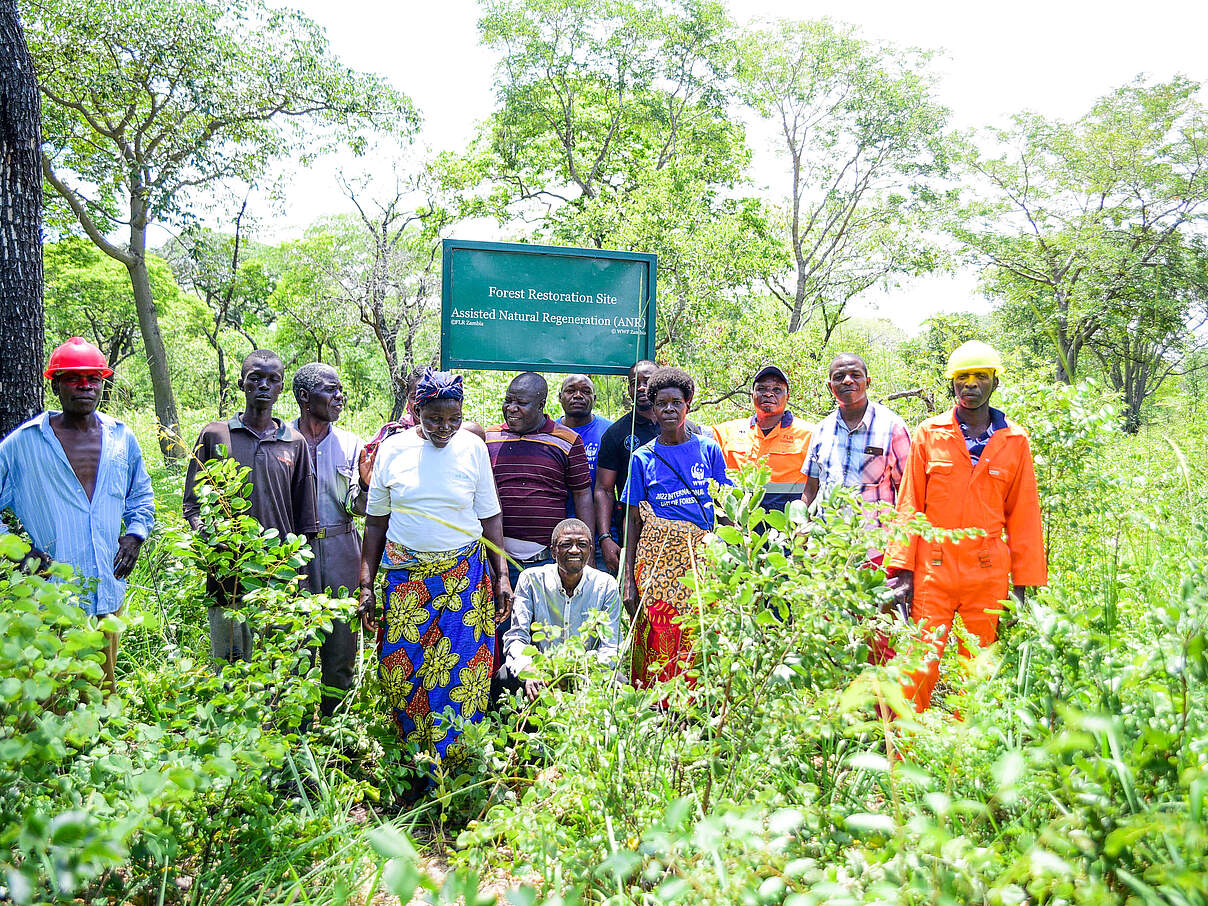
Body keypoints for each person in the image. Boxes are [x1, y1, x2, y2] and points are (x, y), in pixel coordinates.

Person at [358, 369, 510, 782]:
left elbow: (490, 514)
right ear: (416, 410)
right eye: (435, 418)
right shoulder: (393, 450)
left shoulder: (473, 449)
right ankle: (413, 771)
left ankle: (459, 772)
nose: (445, 428)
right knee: (402, 671)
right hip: (405, 580)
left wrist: (502, 575)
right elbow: (375, 522)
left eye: (453, 418)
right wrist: (367, 583)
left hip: (465, 577)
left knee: (465, 671)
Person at [885, 341, 1047, 713]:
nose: (970, 385)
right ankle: (905, 758)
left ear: (994, 383)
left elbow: (1024, 514)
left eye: (979, 377)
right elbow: (909, 503)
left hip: (987, 572)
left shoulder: (1014, 440)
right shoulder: (930, 432)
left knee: (977, 670)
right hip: (933, 569)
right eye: (962, 377)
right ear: (952, 384)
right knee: (918, 667)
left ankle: (964, 762)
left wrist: (1022, 587)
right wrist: (902, 571)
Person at [0, 338, 154, 691]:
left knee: (103, 689)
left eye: (93, 378)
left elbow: (141, 495)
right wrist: (18, 551)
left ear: (102, 383)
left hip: (108, 589)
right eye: (73, 378)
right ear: (55, 385)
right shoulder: (26, 443)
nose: (85, 386)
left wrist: (134, 536)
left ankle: (104, 745)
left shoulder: (121, 437)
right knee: (55, 696)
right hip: (54, 595)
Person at [183, 349, 318, 664]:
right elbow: (192, 506)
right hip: (227, 579)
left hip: (280, 580)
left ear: (281, 388)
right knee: (231, 669)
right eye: (255, 378)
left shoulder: (294, 442)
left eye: (272, 380)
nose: (263, 386)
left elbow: (305, 523)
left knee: (280, 673)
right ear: (241, 382)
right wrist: (213, 541)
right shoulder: (216, 435)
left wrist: (300, 581)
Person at [621, 367, 732, 687]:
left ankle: (697, 711)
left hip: (701, 563)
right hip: (656, 562)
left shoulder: (709, 450)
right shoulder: (642, 458)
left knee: (700, 633)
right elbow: (632, 518)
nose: (669, 410)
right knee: (659, 632)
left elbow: (724, 506)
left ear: (689, 404)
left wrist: (731, 555)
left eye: (675, 403)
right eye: (661, 404)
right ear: (652, 410)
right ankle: (655, 708)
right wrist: (628, 578)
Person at [291, 362, 370, 717]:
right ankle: (295, 730)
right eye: (331, 390)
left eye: (342, 390)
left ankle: (335, 727)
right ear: (305, 397)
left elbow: (358, 508)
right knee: (295, 643)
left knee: (341, 643)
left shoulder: (351, 444)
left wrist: (368, 484)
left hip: (341, 549)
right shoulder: (281, 439)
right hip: (292, 554)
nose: (340, 397)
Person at [486, 372, 595, 587]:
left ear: (541, 405)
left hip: (548, 561)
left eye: (521, 403)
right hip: (499, 561)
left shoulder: (567, 440)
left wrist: (588, 557)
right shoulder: (489, 438)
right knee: (503, 619)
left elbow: (582, 494)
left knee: (549, 621)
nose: (511, 408)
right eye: (508, 401)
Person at [595, 361, 702, 576]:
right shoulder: (616, 433)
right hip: (637, 534)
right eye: (636, 383)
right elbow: (604, 489)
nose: (642, 388)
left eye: (648, 382)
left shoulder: (693, 432)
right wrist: (605, 537)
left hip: (690, 538)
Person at [499, 517, 623, 701]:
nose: (574, 550)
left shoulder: (605, 585)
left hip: (585, 671)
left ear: (590, 550)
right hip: (540, 672)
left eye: (582, 544)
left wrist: (576, 672)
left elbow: (611, 648)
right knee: (503, 677)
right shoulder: (531, 580)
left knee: (619, 683)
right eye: (566, 544)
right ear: (553, 551)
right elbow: (516, 638)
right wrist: (529, 668)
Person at [800, 353, 911, 520]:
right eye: (839, 377)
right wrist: (800, 531)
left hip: (876, 541)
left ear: (867, 382)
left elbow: (907, 490)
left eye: (855, 375)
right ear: (830, 387)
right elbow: (811, 488)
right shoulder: (821, 430)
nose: (847, 380)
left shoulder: (893, 427)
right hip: (828, 541)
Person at [711, 364, 812, 511]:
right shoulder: (728, 431)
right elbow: (688, 433)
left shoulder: (809, 434)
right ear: (753, 394)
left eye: (776, 390)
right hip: (740, 526)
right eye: (761, 389)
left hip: (786, 527)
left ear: (787, 397)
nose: (768, 394)